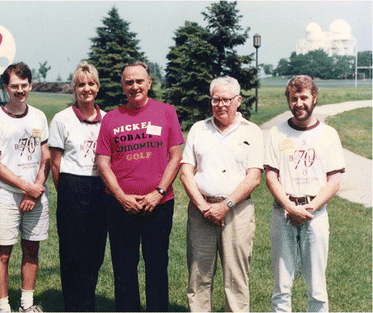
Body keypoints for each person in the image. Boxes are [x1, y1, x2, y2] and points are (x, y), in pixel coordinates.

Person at [96, 61, 184, 312]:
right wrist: (121, 197)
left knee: (157, 265)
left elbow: (175, 155)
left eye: (139, 81)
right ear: (122, 86)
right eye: (129, 82)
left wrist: (158, 193)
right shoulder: (111, 118)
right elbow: (103, 163)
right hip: (121, 206)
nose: (135, 86)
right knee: (124, 267)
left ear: (149, 83)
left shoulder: (166, 112)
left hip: (159, 204)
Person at [180, 76, 263, 312]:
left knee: (236, 280)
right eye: (216, 99)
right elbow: (186, 172)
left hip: (238, 212)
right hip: (200, 213)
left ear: (238, 100)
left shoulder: (252, 131)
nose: (220, 105)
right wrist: (204, 207)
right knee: (198, 277)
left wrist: (224, 206)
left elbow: (253, 177)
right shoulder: (199, 129)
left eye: (226, 99)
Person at [264, 75, 345, 312]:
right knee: (281, 287)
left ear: (314, 98)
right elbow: (270, 176)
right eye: (293, 98)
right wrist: (290, 207)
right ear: (288, 101)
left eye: (303, 98)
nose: (298, 103)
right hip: (283, 214)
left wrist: (310, 208)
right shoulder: (277, 133)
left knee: (317, 289)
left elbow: (335, 179)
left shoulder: (328, 134)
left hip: (316, 215)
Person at [0, 62, 50, 313]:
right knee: (3, 253)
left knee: (32, 250)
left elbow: (47, 158)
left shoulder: (39, 116)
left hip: (36, 193)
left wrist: (36, 188)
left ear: (30, 85)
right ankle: (4, 308)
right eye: (14, 86)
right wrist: (25, 187)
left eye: (24, 86)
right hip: (6, 195)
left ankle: (27, 305)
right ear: (5, 87)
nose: (19, 91)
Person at [48, 61, 108, 311]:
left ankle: (88, 302)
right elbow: (55, 164)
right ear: (74, 88)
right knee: (73, 253)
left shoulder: (108, 119)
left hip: (100, 188)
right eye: (81, 84)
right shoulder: (62, 119)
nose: (86, 89)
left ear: (98, 87)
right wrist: (67, 193)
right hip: (72, 187)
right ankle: (74, 305)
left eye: (91, 83)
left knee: (95, 252)